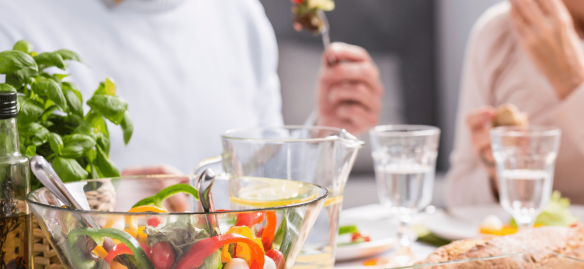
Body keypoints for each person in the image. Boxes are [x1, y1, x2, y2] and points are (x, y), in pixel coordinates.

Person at [0, 0, 383, 175]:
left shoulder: (240, 11)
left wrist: (324, 130)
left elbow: (262, 178)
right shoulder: (14, 18)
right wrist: (101, 203)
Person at [444, 0, 584, 227]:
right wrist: (498, 179)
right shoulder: (498, 32)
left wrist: (571, 78)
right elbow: (458, 199)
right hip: (525, 254)